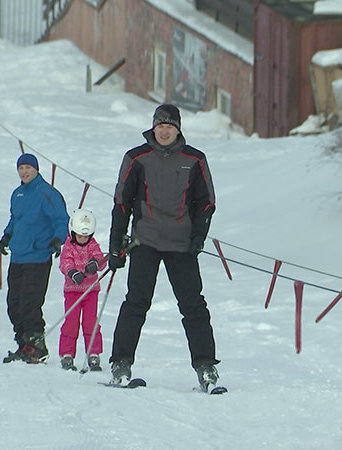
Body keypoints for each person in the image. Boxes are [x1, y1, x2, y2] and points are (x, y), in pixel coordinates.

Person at [107, 104, 220, 391]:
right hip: (145, 240)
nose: (165, 130)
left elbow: (206, 202)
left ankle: (206, 367)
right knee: (136, 302)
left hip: (181, 243)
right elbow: (121, 203)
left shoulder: (195, 159)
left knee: (193, 305)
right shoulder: (136, 158)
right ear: (153, 128)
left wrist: (198, 236)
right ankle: (121, 363)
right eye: (161, 125)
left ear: (178, 129)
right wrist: (116, 245)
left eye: (170, 126)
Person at [0, 153, 69, 364]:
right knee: (14, 303)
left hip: (38, 256)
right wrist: (6, 236)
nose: (24, 171)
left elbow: (61, 219)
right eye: (21, 168)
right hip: (18, 256)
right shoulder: (17, 194)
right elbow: (15, 219)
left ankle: (37, 345)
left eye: (28, 168)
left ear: (36, 169)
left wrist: (58, 239)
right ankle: (23, 343)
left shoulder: (47, 193)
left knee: (30, 302)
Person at [57, 209, 106, 371]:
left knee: (90, 322)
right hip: (73, 292)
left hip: (90, 292)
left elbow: (100, 258)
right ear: (73, 232)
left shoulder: (93, 244)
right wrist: (72, 273)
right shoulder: (69, 246)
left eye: (86, 236)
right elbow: (64, 263)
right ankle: (67, 354)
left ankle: (93, 353)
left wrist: (95, 263)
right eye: (80, 236)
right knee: (71, 322)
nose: (83, 239)